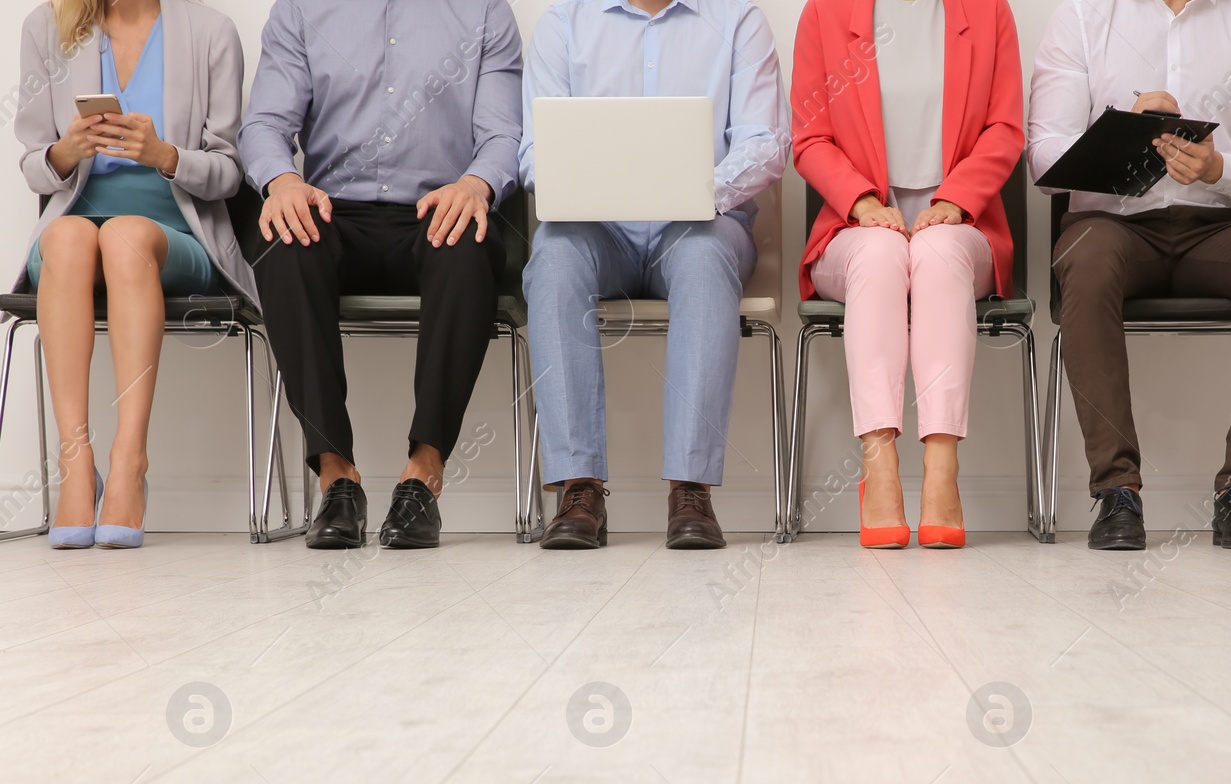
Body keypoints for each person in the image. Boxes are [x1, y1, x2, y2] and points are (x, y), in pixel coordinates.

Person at [1028, 0, 1231, 551]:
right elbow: (1043, 161)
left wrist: (1218, 167)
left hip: (1219, 227)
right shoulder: (1083, 17)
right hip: (1112, 223)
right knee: (1084, 259)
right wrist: (1123, 132)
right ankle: (1117, 490)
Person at [239, 0, 522, 550]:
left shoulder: (484, 10)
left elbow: (503, 135)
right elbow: (266, 124)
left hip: (439, 205)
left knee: (468, 245)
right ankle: (336, 477)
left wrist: (473, 186)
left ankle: (422, 475)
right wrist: (282, 181)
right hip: (332, 208)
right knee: (283, 243)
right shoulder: (300, 9)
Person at [522, 0, 787, 550]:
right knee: (552, 255)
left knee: (704, 257)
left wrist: (693, 192)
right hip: (598, 230)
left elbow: (765, 143)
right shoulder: (564, 23)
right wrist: (589, 186)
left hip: (700, 225)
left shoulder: (739, 19)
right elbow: (533, 153)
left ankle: (690, 489)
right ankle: (579, 486)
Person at [14, 0, 254, 550]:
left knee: (123, 236)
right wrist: (66, 151)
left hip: (174, 236)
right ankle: (76, 464)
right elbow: (32, 165)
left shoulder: (211, 32)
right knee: (72, 238)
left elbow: (230, 173)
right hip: (70, 236)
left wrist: (166, 155)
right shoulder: (46, 26)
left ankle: (130, 459)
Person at [793, 0, 1024, 551]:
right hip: (851, 230)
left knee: (937, 253)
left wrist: (955, 199)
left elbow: (1005, 129)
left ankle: (943, 467)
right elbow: (809, 138)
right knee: (881, 254)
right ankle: (881, 467)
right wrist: (864, 201)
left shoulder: (989, 11)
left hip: (962, 224)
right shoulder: (824, 13)